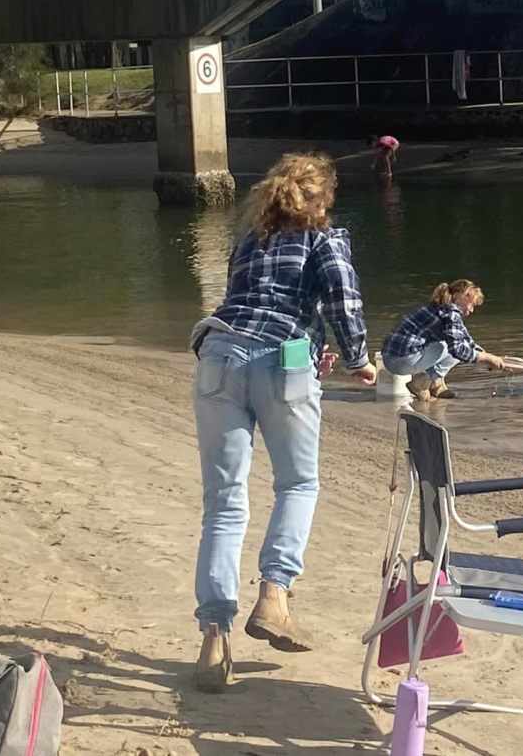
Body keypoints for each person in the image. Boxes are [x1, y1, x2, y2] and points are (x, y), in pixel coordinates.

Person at [187, 152, 377, 693]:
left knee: (223, 502)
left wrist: (312, 346)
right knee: (298, 482)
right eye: (327, 201)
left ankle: (213, 640)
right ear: (317, 201)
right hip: (281, 362)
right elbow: (342, 298)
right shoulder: (324, 238)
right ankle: (275, 592)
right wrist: (359, 357)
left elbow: (249, 303)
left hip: (219, 357)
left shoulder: (248, 242)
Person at [381, 279, 511, 401]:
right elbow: (458, 350)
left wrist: (493, 359)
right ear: (459, 297)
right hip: (401, 361)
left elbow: (468, 341)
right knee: (453, 348)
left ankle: (436, 386)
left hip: (391, 358)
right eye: (471, 304)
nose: (471, 310)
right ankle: (422, 383)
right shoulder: (450, 313)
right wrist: (487, 358)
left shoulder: (440, 307)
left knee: (455, 344)